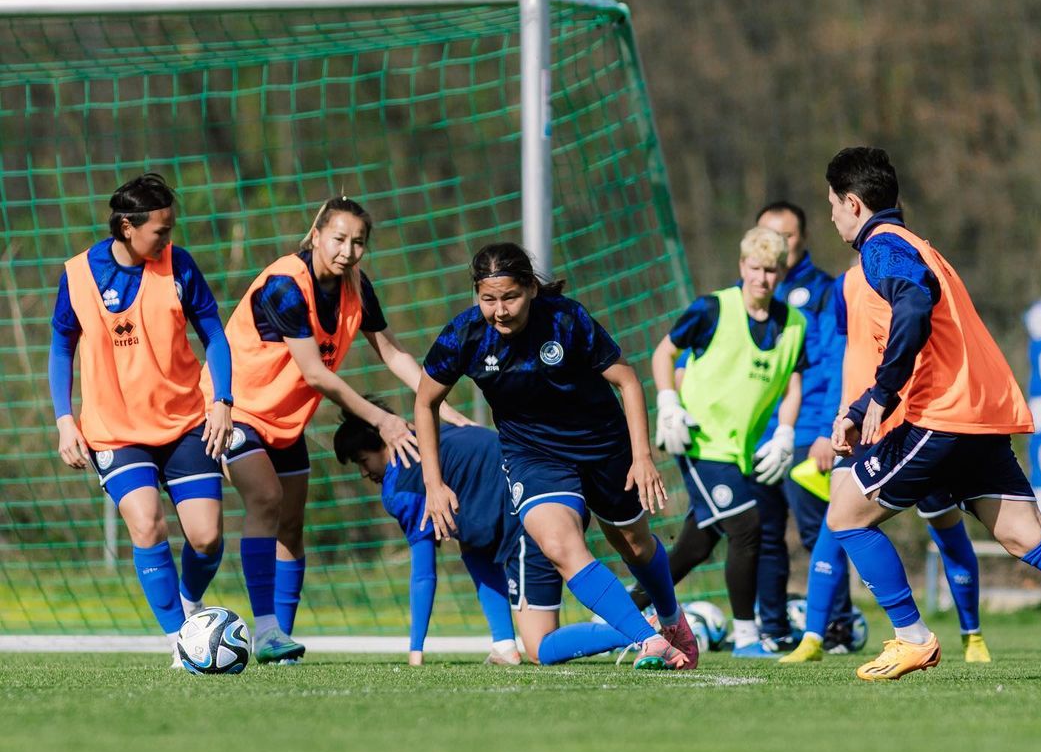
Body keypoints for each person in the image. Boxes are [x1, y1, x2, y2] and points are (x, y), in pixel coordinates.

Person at [823, 146, 1041, 681]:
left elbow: (914, 307)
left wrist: (882, 396)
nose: (831, 218)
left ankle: (912, 638)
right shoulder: (917, 245)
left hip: (943, 414)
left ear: (853, 203)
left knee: (846, 514)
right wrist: (859, 405)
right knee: (1026, 536)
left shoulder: (882, 246)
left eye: (832, 205)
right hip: (978, 411)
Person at [206, 195, 470, 664]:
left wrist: (440, 407)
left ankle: (280, 644)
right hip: (236, 410)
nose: (348, 250)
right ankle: (259, 628)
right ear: (316, 234)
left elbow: (391, 352)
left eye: (359, 242)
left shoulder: (356, 288)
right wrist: (382, 418)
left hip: (286, 423)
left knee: (291, 527)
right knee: (265, 499)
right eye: (340, 239)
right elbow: (315, 373)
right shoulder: (286, 284)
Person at [415, 242, 697, 671]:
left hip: (602, 445)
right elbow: (424, 402)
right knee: (558, 544)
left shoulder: (566, 319)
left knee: (634, 546)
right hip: (533, 456)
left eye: (509, 297)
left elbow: (629, 380)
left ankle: (673, 620)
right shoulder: (464, 335)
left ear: (530, 288)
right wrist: (434, 485)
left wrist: (642, 456)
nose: (500, 310)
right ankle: (648, 640)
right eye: (488, 299)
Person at [50, 173, 234, 666]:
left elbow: (215, 336)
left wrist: (223, 401)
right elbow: (61, 346)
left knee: (207, 537)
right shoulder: (80, 274)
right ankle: (180, 640)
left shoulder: (179, 266)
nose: (169, 238)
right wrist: (65, 419)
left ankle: (191, 605)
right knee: (147, 525)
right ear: (128, 227)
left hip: (183, 422)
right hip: (114, 430)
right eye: (161, 230)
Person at [781, 263, 991, 665]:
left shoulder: (911, 270)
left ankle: (972, 635)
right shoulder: (845, 282)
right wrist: (843, 412)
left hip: (915, 422)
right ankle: (812, 637)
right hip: (865, 420)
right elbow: (847, 349)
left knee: (947, 527)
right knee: (837, 519)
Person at [334, 399, 631, 666]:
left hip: (531, 522)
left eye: (363, 461)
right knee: (468, 539)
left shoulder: (403, 483)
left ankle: (640, 630)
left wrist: (415, 651)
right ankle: (503, 645)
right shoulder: (440, 435)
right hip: (559, 493)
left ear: (383, 441)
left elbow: (424, 573)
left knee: (539, 648)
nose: (364, 473)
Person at [648, 225, 807, 656]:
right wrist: (667, 402)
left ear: (782, 272)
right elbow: (664, 353)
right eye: (755, 268)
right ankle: (747, 636)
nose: (762, 278)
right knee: (747, 527)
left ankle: (622, 613)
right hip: (700, 442)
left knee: (694, 549)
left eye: (772, 270)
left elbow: (794, 383)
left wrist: (786, 433)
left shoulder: (793, 324)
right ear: (742, 266)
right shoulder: (711, 309)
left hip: (738, 452)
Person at [749, 201, 848, 652]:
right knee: (763, 534)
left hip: (808, 433)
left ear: (803, 239)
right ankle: (771, 629)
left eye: (787, 236)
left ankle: (837, 628)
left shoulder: (826, 292)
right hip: (756, 436)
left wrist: (828, 431)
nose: (778, 245)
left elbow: (836, 365)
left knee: (821, 531)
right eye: (768, 234)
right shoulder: (743, 293)